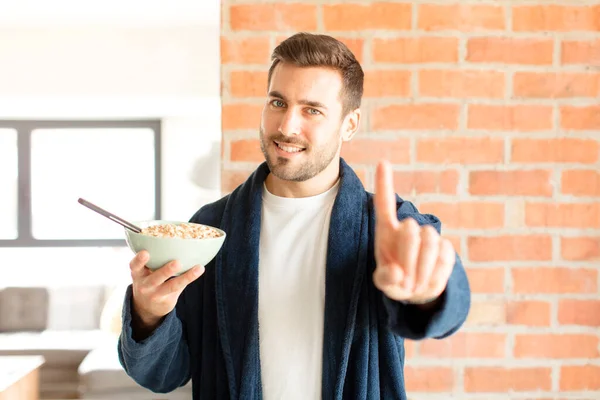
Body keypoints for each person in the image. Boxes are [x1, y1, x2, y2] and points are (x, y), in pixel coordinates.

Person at [118, 32, 471, 400]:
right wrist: (150, 314)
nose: (287, 126)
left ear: (349, 124)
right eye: (277, 102)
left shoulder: (389, 224)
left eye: (312, 110)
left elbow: (450, 303)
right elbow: (164, 375)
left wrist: (428, 292)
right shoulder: (211, 228)